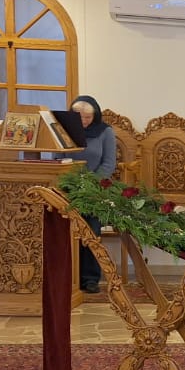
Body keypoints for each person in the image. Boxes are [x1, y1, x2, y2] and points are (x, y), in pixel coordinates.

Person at [65, 95, 118, 294]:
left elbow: (108, 163)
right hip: (68, 188)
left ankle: (90, 278)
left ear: (95, 116)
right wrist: (71, 183)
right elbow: (58, 158)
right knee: (66, 232)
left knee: (90, 231)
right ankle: (69, 277)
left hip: (94, 190)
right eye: (79, 117)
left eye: (88, 117)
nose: (84, 121)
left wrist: (89, 184)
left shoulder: (105, 132)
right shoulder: (63, 130)